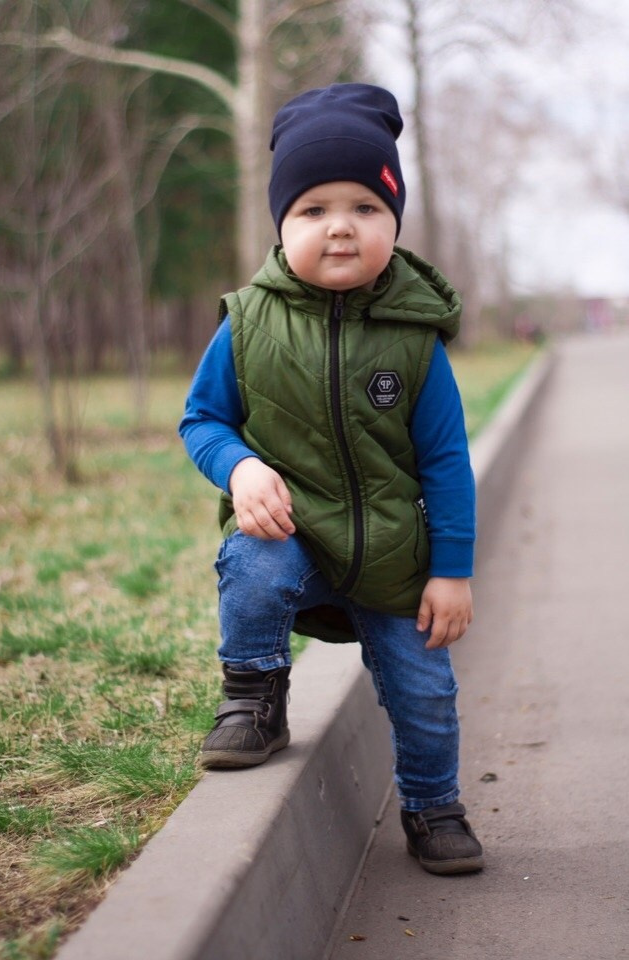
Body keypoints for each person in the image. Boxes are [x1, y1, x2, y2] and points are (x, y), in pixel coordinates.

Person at [179, 83, 483, 876]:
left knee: (425, 693)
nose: (340, 224)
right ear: (282, 224)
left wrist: (450, 570)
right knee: (249, 561)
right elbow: (201, 420)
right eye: (313, 208)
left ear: (393, 223)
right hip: (294, 534)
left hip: (391, 550)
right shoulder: (247, 323)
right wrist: (239, 466)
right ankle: (252, 697)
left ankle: (432, 805)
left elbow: (446, 461)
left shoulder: (416, 341)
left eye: (365, 206)